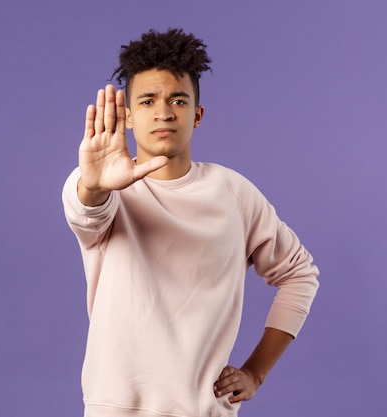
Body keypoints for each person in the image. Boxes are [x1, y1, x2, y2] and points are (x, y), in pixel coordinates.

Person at [62, 28, 319, 417]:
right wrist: (93, 187)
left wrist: (256, 372)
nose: (164, 112)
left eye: (177, 100)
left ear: (197, 115)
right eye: (148, 101)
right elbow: (86, 211)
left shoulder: (233, 192)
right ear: (128, 117)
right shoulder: (103, 189)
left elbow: (300, 273)